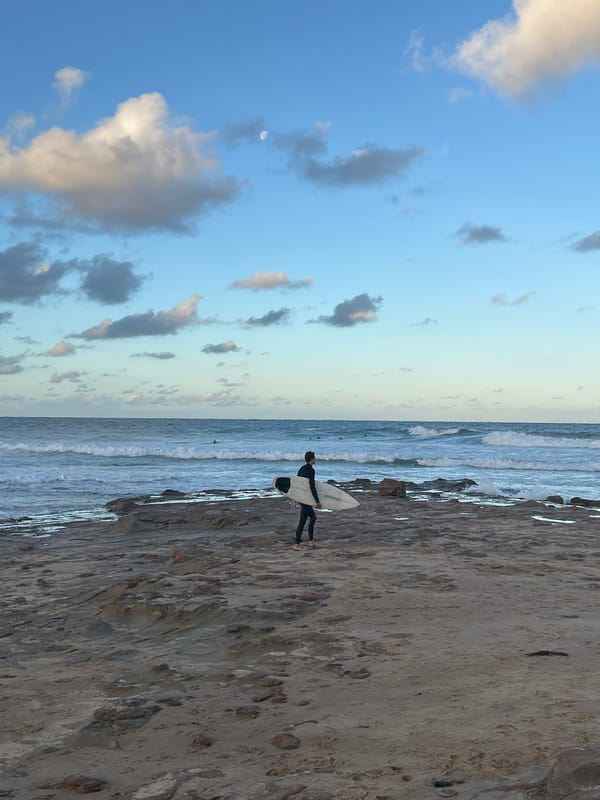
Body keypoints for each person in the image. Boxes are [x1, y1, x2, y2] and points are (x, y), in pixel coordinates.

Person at [292, 451, 322, 551]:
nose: (315, 459)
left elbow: (297, 484)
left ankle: (311, 541)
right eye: (314, 457)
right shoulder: (311, 470)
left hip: (302, 497)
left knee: (313, 517)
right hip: (305, 498)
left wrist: (295, 498)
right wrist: (317, 501)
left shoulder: (301, 469)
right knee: (303, 521)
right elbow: (312, 486)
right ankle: (296, 544)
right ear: (312, 459)